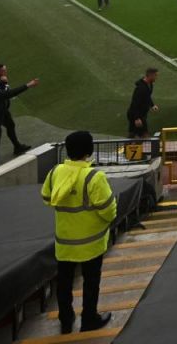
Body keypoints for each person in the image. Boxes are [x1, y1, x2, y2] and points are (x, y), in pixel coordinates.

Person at [43, 131, 115, 335]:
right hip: (91, 244)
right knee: (91, 282)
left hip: (65, 243)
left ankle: (66, 319)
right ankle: (89, 318)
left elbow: (47, 197)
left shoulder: (56, 172)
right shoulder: (94, 176)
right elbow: (109, 210)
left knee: (64, 282)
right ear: (89, 150)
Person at [0, 63, 31, 156]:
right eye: (3, 70)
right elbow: (4, 94)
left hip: (2, 109)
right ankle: (17, 147)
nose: (5, 72)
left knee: (10, 125)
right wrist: (4, 83)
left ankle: (17, 146)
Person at [127, 68, 159, 138]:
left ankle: (129, 147)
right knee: (143, 135)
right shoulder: (140, 88)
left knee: (133, 134)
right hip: (136, 115)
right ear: (151, 75)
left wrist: (152, 105)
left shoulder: (150, 84)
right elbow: (134, 103)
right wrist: (137, 118)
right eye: (155, 75)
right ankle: (132, 147)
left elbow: (147, 96)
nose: (157, 77)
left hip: (141, 114)